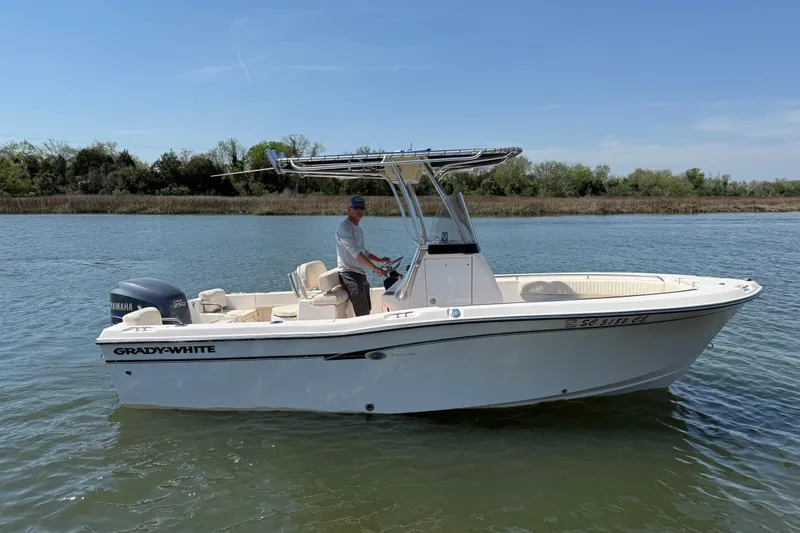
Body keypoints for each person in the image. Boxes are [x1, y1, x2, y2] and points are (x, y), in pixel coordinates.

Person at [335, 196, 390, 317]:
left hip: (359, 273)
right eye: (357, 208)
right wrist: (375, 268)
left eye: (362, 207)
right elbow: (355, 253)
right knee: (363, 312)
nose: (360, 210)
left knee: (367, 309)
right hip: (349, 274)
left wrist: (379, 260)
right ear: (349, 210)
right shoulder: (344, 227)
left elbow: (362, 251)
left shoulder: (357, 228)